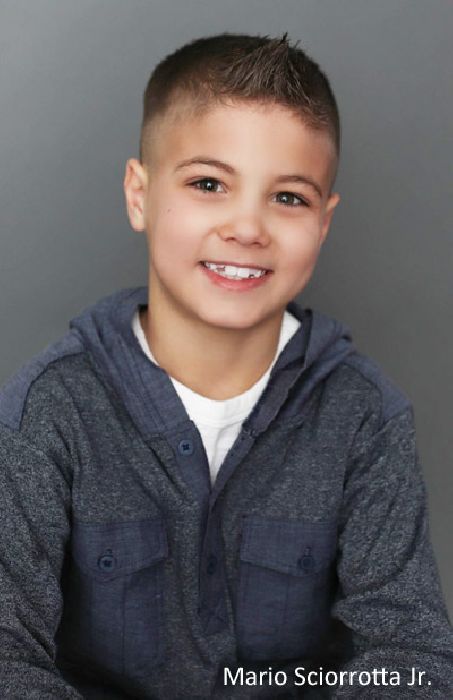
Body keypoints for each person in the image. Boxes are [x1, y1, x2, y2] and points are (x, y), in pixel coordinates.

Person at [0, 32, 451, 700]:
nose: (247, 228)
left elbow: (410, 655)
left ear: (324, 222)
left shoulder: (364, 416)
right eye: (208, 184)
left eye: (288, 197)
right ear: (139, 194)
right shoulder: (48, 410)